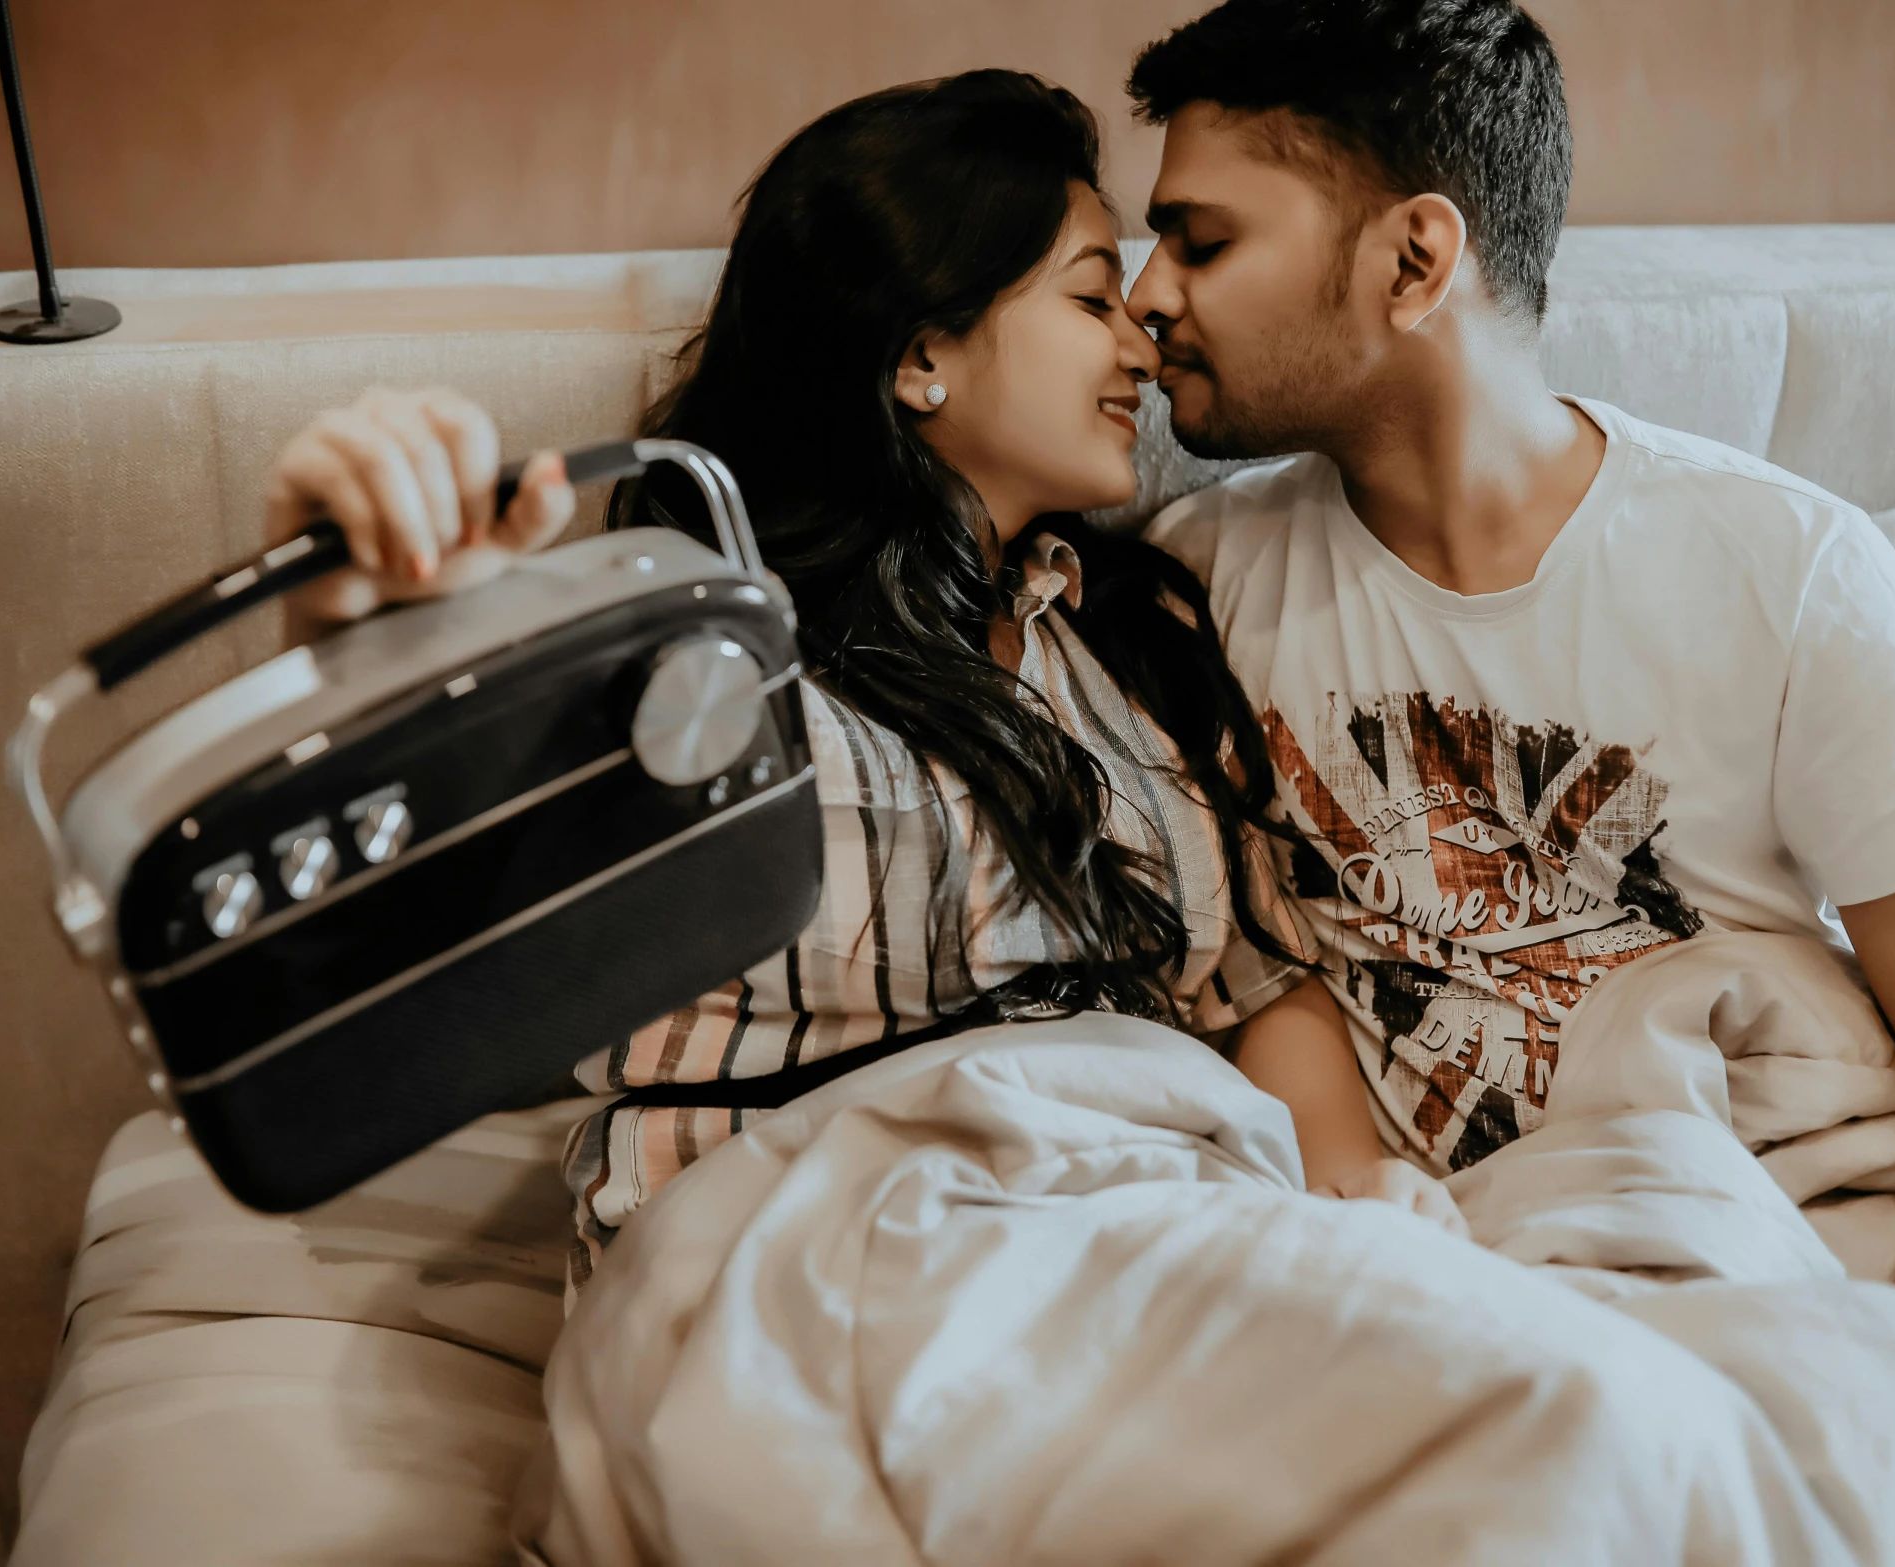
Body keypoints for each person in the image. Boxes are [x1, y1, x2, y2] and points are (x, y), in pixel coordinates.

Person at [1120, 2, 1895, 1562]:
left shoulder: (1786, 573)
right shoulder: (1191, 591)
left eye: (1197, 241)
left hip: (1789, 1237)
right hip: (1471, 1301)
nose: (1145, 299)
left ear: (1412, 258)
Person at [259, 69, 1465, 1281]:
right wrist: (358, 626)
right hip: (811, 1265)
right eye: (1093, 296)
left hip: (1151, 1230)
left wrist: (1359, 1191)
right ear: (921, 353)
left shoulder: (1129, 635)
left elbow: (1262, 991)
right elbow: (425, 935)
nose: (1140, 340)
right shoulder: (708, 664)